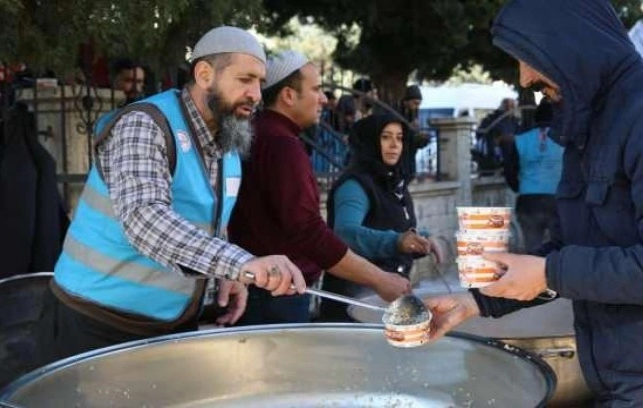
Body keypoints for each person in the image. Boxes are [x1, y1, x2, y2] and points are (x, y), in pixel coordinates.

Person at [426, 0, 643, 406]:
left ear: (568, 43)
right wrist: (475, 302)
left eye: (528, 58)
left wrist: (550, 272)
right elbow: (571, 253)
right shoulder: (590, 123)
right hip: (626, 380)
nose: (525, 77)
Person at [36, 26, 307, 365]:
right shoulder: (145, 124)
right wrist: (241, 263)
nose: (256, 94)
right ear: (205, 74)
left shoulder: (227, 143)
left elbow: (204, 218)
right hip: (92, 325)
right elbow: (145, 218)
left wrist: (226, 274)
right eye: (245, 79)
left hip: (166, 329)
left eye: (259, 83)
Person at [228, 51, 410, 325]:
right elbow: (309, 232)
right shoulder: (282, 145)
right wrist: (380, 279)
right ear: (288, 96)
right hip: (276, 296)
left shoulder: (263, 134)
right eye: (315, 89)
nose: (324, 98)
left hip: (262, 291)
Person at [319, 114, 443, 321]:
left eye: (399, 138)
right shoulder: (355, 186)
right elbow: (346, 233)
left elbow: (392, 227)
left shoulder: (394, 185)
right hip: (354, 304)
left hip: (387, 303)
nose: (394, 145)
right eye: (386, 137)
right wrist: (397, 242)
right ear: (370, 141)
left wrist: (421, 240)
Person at [500, 98, 563, 252]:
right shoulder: (563, 140)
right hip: (558, 200)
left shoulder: (520, 140)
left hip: (528, 200)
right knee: (561, 247)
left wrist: (519, 187)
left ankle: (534, 274)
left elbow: (509, 169)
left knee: (533, 248)